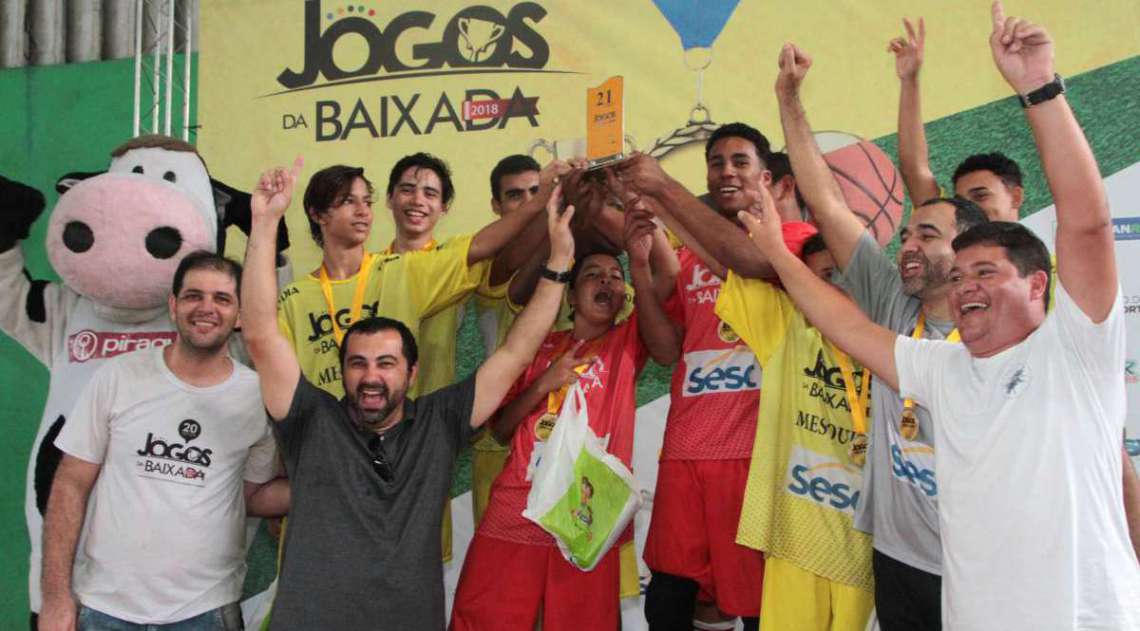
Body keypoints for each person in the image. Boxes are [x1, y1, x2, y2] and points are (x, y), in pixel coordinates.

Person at [739, 9, 1140, 628]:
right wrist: (774, 251)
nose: (966, 286)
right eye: (962, 277)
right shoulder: (941, 367)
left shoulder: (1074, 350)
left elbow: (1085, 222)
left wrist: (1039, 87)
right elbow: (840, 322)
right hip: (932, 585)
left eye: (984, 272)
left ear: (1038, 283)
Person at [242, 158, 576, 630]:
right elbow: (259, 333)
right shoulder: (311, 424)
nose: (372, 377)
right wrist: (264, 221)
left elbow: (517, 352)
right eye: (357, 364)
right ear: (341, 372)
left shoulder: (438, 424)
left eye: (386, 363)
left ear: (412, 371)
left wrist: (559, 263)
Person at [450, 202, 679, 631]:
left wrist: (641, 241)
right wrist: (543, 384)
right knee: (483, 618)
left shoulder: (628, 342)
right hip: (519, 501)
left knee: (582, 622)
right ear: (571, 296)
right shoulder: (536, 346)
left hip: (585, 510)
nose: (608, 282)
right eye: (593, 275)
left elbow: (667, 279)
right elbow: (498, 431)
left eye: (616, 277)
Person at [39, 251, 286, 631]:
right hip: (103, 609)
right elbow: (70, 484)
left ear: (240, 316)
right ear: (173, 305)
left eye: (222, 299)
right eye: (193, 296)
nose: (206, 308)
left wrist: (336, 485)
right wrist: (55, 598)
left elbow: (250, 498)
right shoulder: (119, 376)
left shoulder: (257, 397)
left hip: (206, 612)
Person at [716, 229, 875, 631]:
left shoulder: (895, 340)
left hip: (869, 551)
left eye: (844, 274)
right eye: (821, 276)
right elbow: (727, 260)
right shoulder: (786, 328)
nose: (835, 287)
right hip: (796, 543)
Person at [890, 16, 1025, 222]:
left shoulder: (1043, 254)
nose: (969, 209)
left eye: (980, 196)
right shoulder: (954, 235)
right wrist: (909, 80)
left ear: (1015, 197)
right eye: (962, 202)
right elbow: (914, 168)